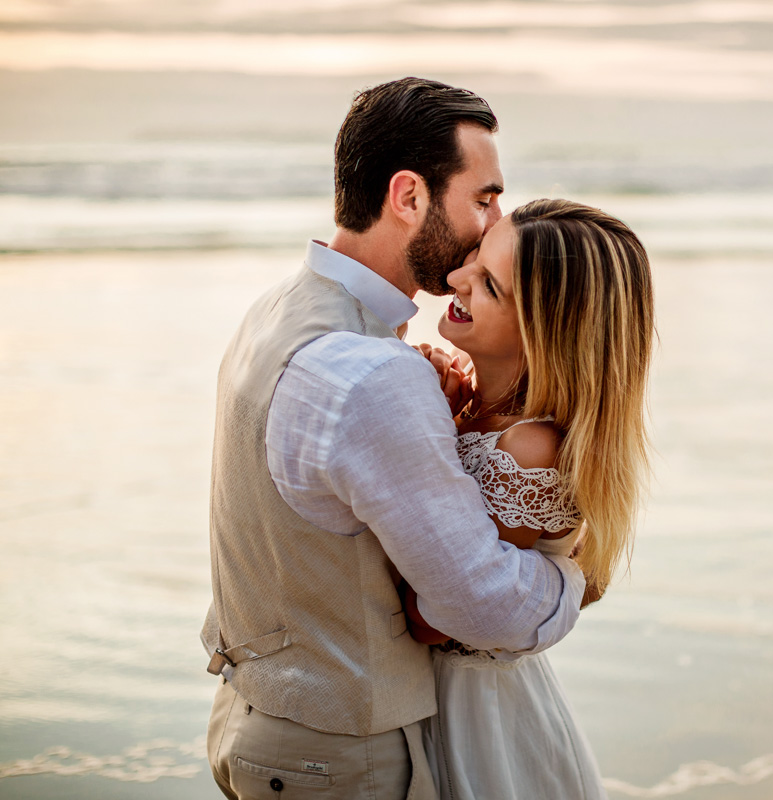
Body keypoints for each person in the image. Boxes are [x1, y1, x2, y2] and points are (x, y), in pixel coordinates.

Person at [201, 78, 585, 799]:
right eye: (483, 197)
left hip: (255, 719)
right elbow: (482, 607)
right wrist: (574, 577)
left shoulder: (277, 311)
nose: (494, 224)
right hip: (341, 754)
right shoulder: (372, 371)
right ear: (408, 197)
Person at [405, 199, 655, 799]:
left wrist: (421, 439)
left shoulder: (528, 449)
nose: (457, 279)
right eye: (473, 259)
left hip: (475, 717)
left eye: (488, 284)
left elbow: (435, 618)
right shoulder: (475, 405)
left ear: (544, 331)